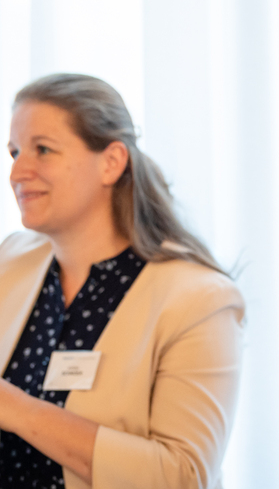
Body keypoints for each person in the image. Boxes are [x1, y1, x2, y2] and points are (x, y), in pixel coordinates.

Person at [0, 74, 244, 489]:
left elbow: (182, 476)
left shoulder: (200, 299)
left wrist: (16, 409)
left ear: (111, 162)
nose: (18, 171)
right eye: (15, 151)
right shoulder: (12, 260)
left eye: (43, 150)